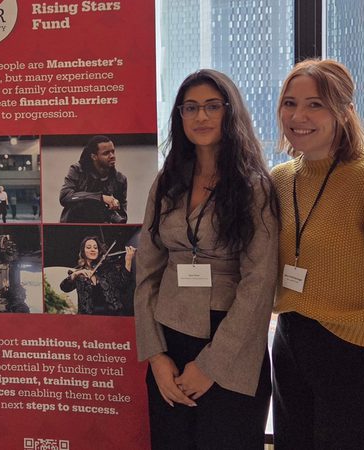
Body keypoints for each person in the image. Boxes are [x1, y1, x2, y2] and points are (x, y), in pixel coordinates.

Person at [270, 59, 364, 450]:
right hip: (292, 342)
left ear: (344, 112)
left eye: (315, 104)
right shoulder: (279, 179)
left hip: (360, 351)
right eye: (290, 102)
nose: (298, 115)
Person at [134, 69, 278, 449]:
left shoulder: (254, 187)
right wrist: (155, 357)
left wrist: (211, 366)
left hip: (230, 347)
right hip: (170, 340)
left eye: (212, 107)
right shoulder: (166, 182)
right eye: (191, 108)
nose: (201, 117)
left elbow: (259, 284)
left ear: (230, 113)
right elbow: (147, 272)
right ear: (178, 116)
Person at [59, 135, 128, 223]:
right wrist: (100, 198)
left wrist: (115, 207)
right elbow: (65, 197)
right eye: (106, 153)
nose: (112, 156)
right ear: (94, 156)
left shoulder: (120, 180)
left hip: (103, 228)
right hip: (75, 225)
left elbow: (123, 217)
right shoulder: (77, 171)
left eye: (113, 152)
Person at [60, 236, 135, 316]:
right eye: (88, 247)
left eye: (95, 248)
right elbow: (64, 287)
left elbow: (124, 285)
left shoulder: (107, 268)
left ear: (98, 251)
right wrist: (75, 274)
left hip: (112, 316)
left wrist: (128, 261)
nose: (92, 250)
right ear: (83, 252)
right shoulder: (79, 273)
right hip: (88, 319)